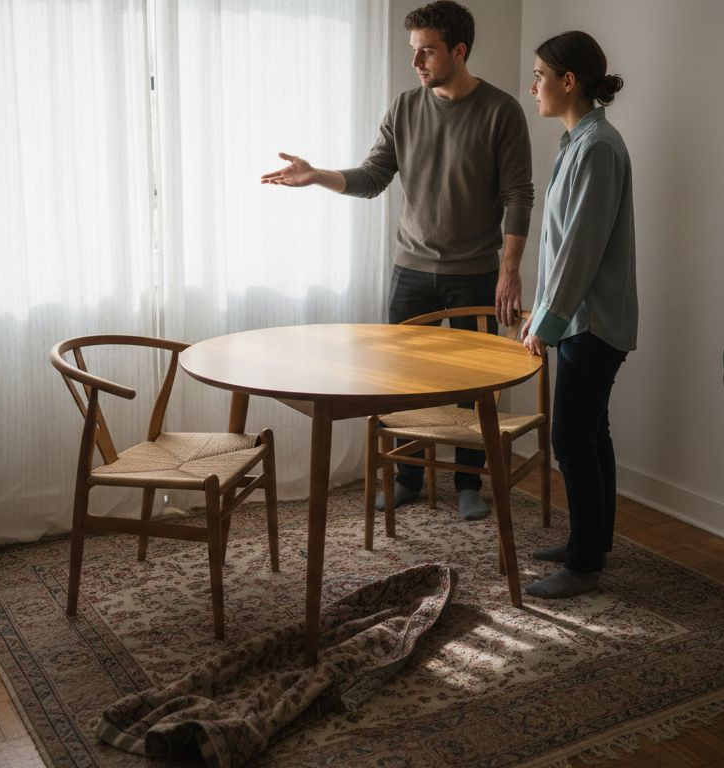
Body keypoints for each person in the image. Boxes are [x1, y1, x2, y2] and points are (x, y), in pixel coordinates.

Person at [261, 1, 533, 521]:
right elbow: (371, 177)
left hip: (475, 271)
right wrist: (317, 174)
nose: (417, 63)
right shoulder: (405, 107)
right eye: (414, 51)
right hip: (410, 270)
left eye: (427, 51)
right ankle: (408, 475)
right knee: (402, 382)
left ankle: (469, 483)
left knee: (473, 383)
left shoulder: (501, 112)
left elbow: (519, 194)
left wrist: (510, 269)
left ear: (459, 50)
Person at [521, 31, 637, 599]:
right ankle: (592, 542)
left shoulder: (597, 148)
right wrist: (541, 312)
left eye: (540, 74)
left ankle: (584, 564)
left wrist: (547, 323)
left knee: (571, 441)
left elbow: (580, 253)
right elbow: (558, 244)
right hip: (580, 319)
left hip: (591, 323)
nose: (533, 85)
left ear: (569, 82)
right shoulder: (576, 143)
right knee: (593, 435)